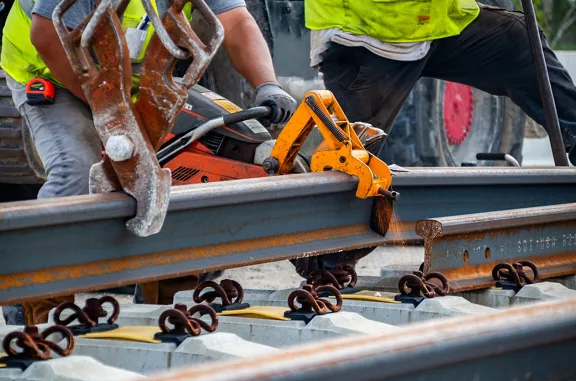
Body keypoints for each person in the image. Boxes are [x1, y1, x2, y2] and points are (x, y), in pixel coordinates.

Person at [0, 0, 296, 325]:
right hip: (53, 72)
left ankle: (166, 303)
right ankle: (36, 310)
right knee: (76, 171)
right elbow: (45, 36)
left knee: (190, 163)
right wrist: (113, 113)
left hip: (129, 74)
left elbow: (236, 21)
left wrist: (268, 84)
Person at [305, 1, 576, 165]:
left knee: (517, 41)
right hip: (367, 34)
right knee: (351, 158)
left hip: (432, 22)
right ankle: (326, 258)